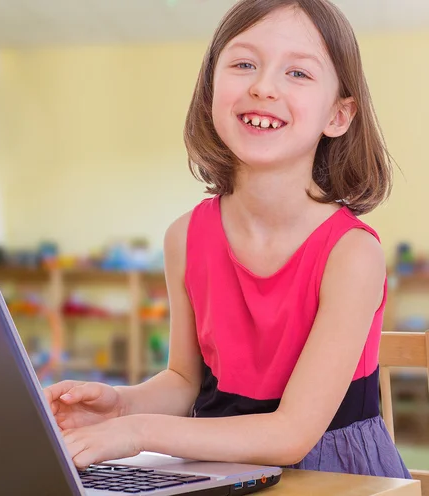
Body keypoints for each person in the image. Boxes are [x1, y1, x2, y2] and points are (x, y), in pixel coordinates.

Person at [44, 0, 411, 479]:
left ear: (338, 116)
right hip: (218, 467)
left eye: (298, 74)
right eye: (243, 64)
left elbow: (291, 434)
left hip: (335, 474)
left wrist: (137, 433)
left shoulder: (352, 254)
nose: (263, 86)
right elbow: (184, 381)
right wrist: (122, 406)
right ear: (210, 90)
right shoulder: (185, 237)